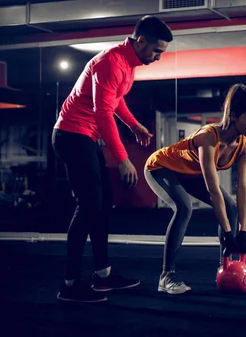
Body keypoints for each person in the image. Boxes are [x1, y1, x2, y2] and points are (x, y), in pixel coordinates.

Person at [52, 15, 173, 303]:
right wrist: (123, 158)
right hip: (71, 136)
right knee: (88, 206)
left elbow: (116, 100)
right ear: (140, 40)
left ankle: (103, 275)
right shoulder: (111, 62)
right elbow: (102, 112)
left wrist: (134, 125)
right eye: (156, 51)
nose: (158, 58)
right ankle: (69, 283)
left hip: (86, 137)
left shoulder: (127, 64)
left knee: (102, 205)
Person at [144, 84, 246, 295]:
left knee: (231, 206)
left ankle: (226, 266)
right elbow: (212, 189)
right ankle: (166, 276)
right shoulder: (209, 136)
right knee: (184, 208)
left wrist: (243, 232)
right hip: (162, 167)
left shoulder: (244, 145)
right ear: (234, 116)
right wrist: (228, 233)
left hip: (190, 173)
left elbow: (243, 188)